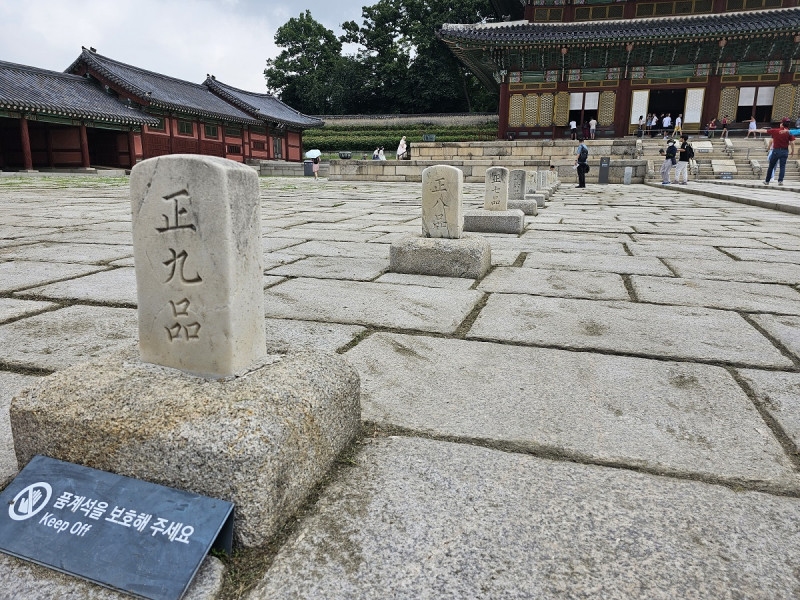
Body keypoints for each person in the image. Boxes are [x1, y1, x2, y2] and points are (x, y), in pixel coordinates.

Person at [756, 118, 796, 186]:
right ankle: (780, 181)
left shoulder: (775, 130)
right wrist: (792, 151)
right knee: (782, 166)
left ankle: (767, 181)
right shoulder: (789, 132)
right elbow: (792, 143)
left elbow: (765, 131)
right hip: (785, 151)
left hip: (776, 151)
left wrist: (755, 130)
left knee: (771, 166)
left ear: (782, 124)